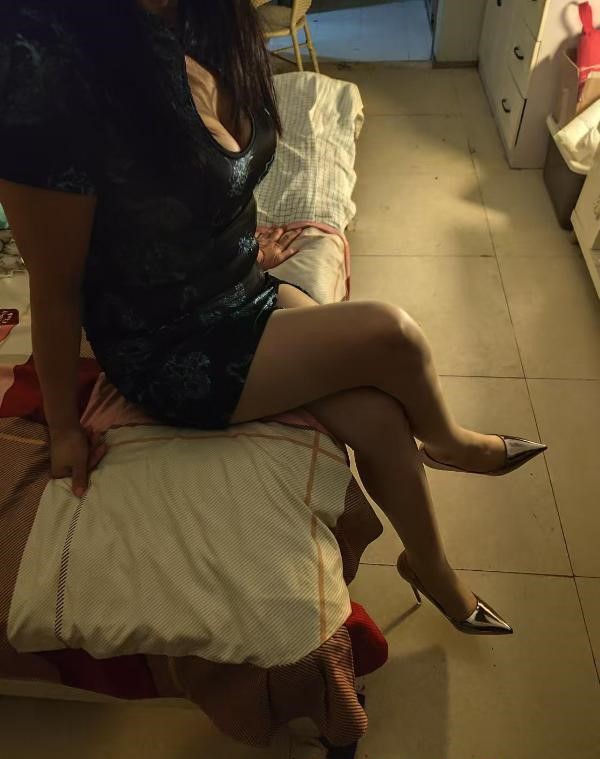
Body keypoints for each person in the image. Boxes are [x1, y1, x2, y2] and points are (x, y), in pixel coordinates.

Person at [0, 0, 546, 636]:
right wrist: (64, 427)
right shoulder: (46, 57)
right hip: (169, 345)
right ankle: (451, 444)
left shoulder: (208, 16)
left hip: (234, 288)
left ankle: (429, 566)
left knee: (380, 419)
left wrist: (238, 243)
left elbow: (193, 183)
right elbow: (56, 285)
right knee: (392, 335)